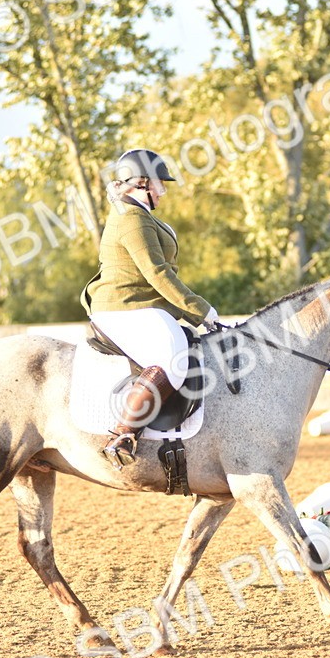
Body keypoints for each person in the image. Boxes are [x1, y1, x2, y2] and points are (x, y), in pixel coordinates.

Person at [81, 149, 219, 469]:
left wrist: (189, 312)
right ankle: (123, 434)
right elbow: (158, 275)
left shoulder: (141, 215)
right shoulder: (132, 220)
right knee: (172, 360)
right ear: (141, 182)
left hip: (143, 305)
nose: (163, 190)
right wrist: (201, 310)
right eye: (159, 184)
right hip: (124, 306)